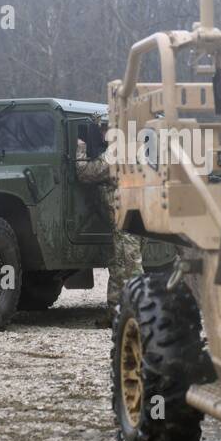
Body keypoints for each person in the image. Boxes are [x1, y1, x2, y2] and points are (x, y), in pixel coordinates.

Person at [76, 135, 142, 318]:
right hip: (132, 216)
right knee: (118, 264)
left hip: (126, 218)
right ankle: (115, 313)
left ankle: (138, 312)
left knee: (129, 266)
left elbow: (86, 173)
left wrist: (80, 148)